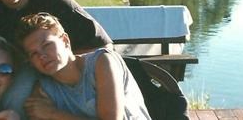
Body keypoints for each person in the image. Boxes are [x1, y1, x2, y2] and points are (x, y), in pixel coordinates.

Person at [15, 12, 151, 120]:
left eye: (46, 45)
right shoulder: (43, 90)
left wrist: (53, 114)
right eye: (33, 53)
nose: (42, 56)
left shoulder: (102, 62)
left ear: (65, 40)